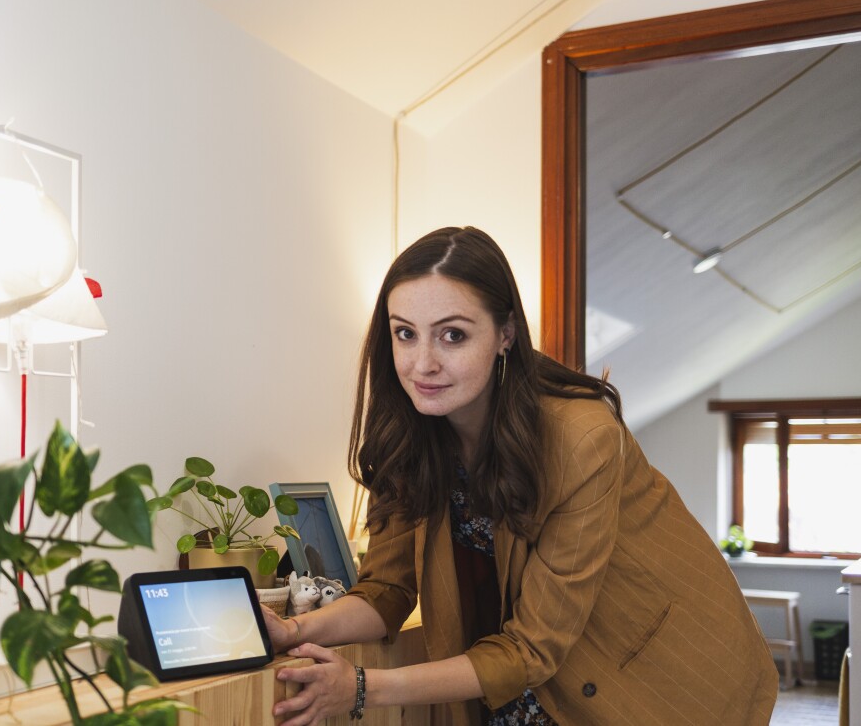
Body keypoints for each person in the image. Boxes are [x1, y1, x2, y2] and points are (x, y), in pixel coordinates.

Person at [262, 227, 777, 725]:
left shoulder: (582, 438)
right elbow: (387, 591)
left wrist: (361, 687)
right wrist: (291, 630)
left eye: (453, 335)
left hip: (650, 681)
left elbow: (533, 646)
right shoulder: (413, 436)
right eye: (405, 334)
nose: (423, 363)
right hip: (517, 684)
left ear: (505, 334)